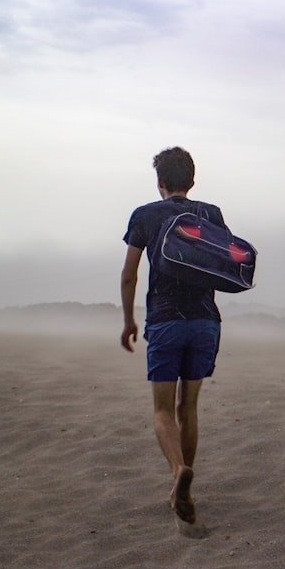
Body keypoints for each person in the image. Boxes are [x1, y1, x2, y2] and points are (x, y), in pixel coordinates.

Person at [120, 146, 228, 525]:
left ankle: (178, 471)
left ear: (160, 182)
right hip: (205, 321)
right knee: (189, 407)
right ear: (192, 180)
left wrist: (129, 320)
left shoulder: (145, 216)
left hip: (165, 322)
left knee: (163, 410)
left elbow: (130, 274)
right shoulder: (210, 213)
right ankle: (186, 487)